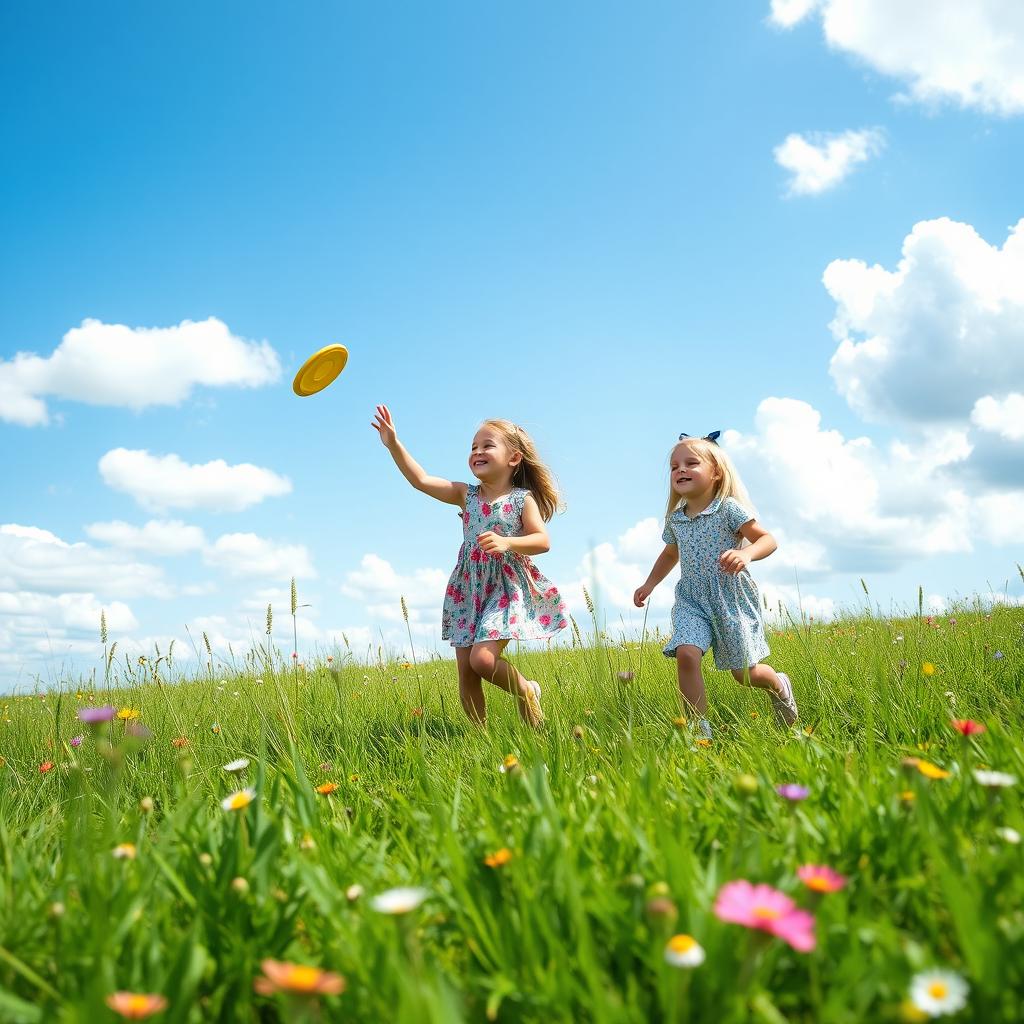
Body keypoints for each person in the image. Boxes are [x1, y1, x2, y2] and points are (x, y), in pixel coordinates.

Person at [372, 405, 567, 727]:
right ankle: (482, 740)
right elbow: (420, 480)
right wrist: (393, 443)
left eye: (487, 445)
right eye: (473, 447)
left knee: (482, 659)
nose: (477, 451)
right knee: (467, 672)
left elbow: (541, 540)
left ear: (514, 458)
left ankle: (527, 690)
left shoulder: (521, 499)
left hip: (505, 588)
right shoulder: (466, 495)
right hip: (468, 589)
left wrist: (508, 543)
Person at [632, 431, 797, 738]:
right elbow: (670, 554)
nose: (680, 470)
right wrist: (649, 584)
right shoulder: (676, 520)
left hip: (731, 599)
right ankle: (699, 731)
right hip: (692, 600)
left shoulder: (728, 509)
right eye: (674, 466)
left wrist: (746, 553)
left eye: (691, 463)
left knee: (745, 675)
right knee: (686, 654)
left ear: (716, 472)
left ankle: (778, 684)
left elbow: (768, 539)